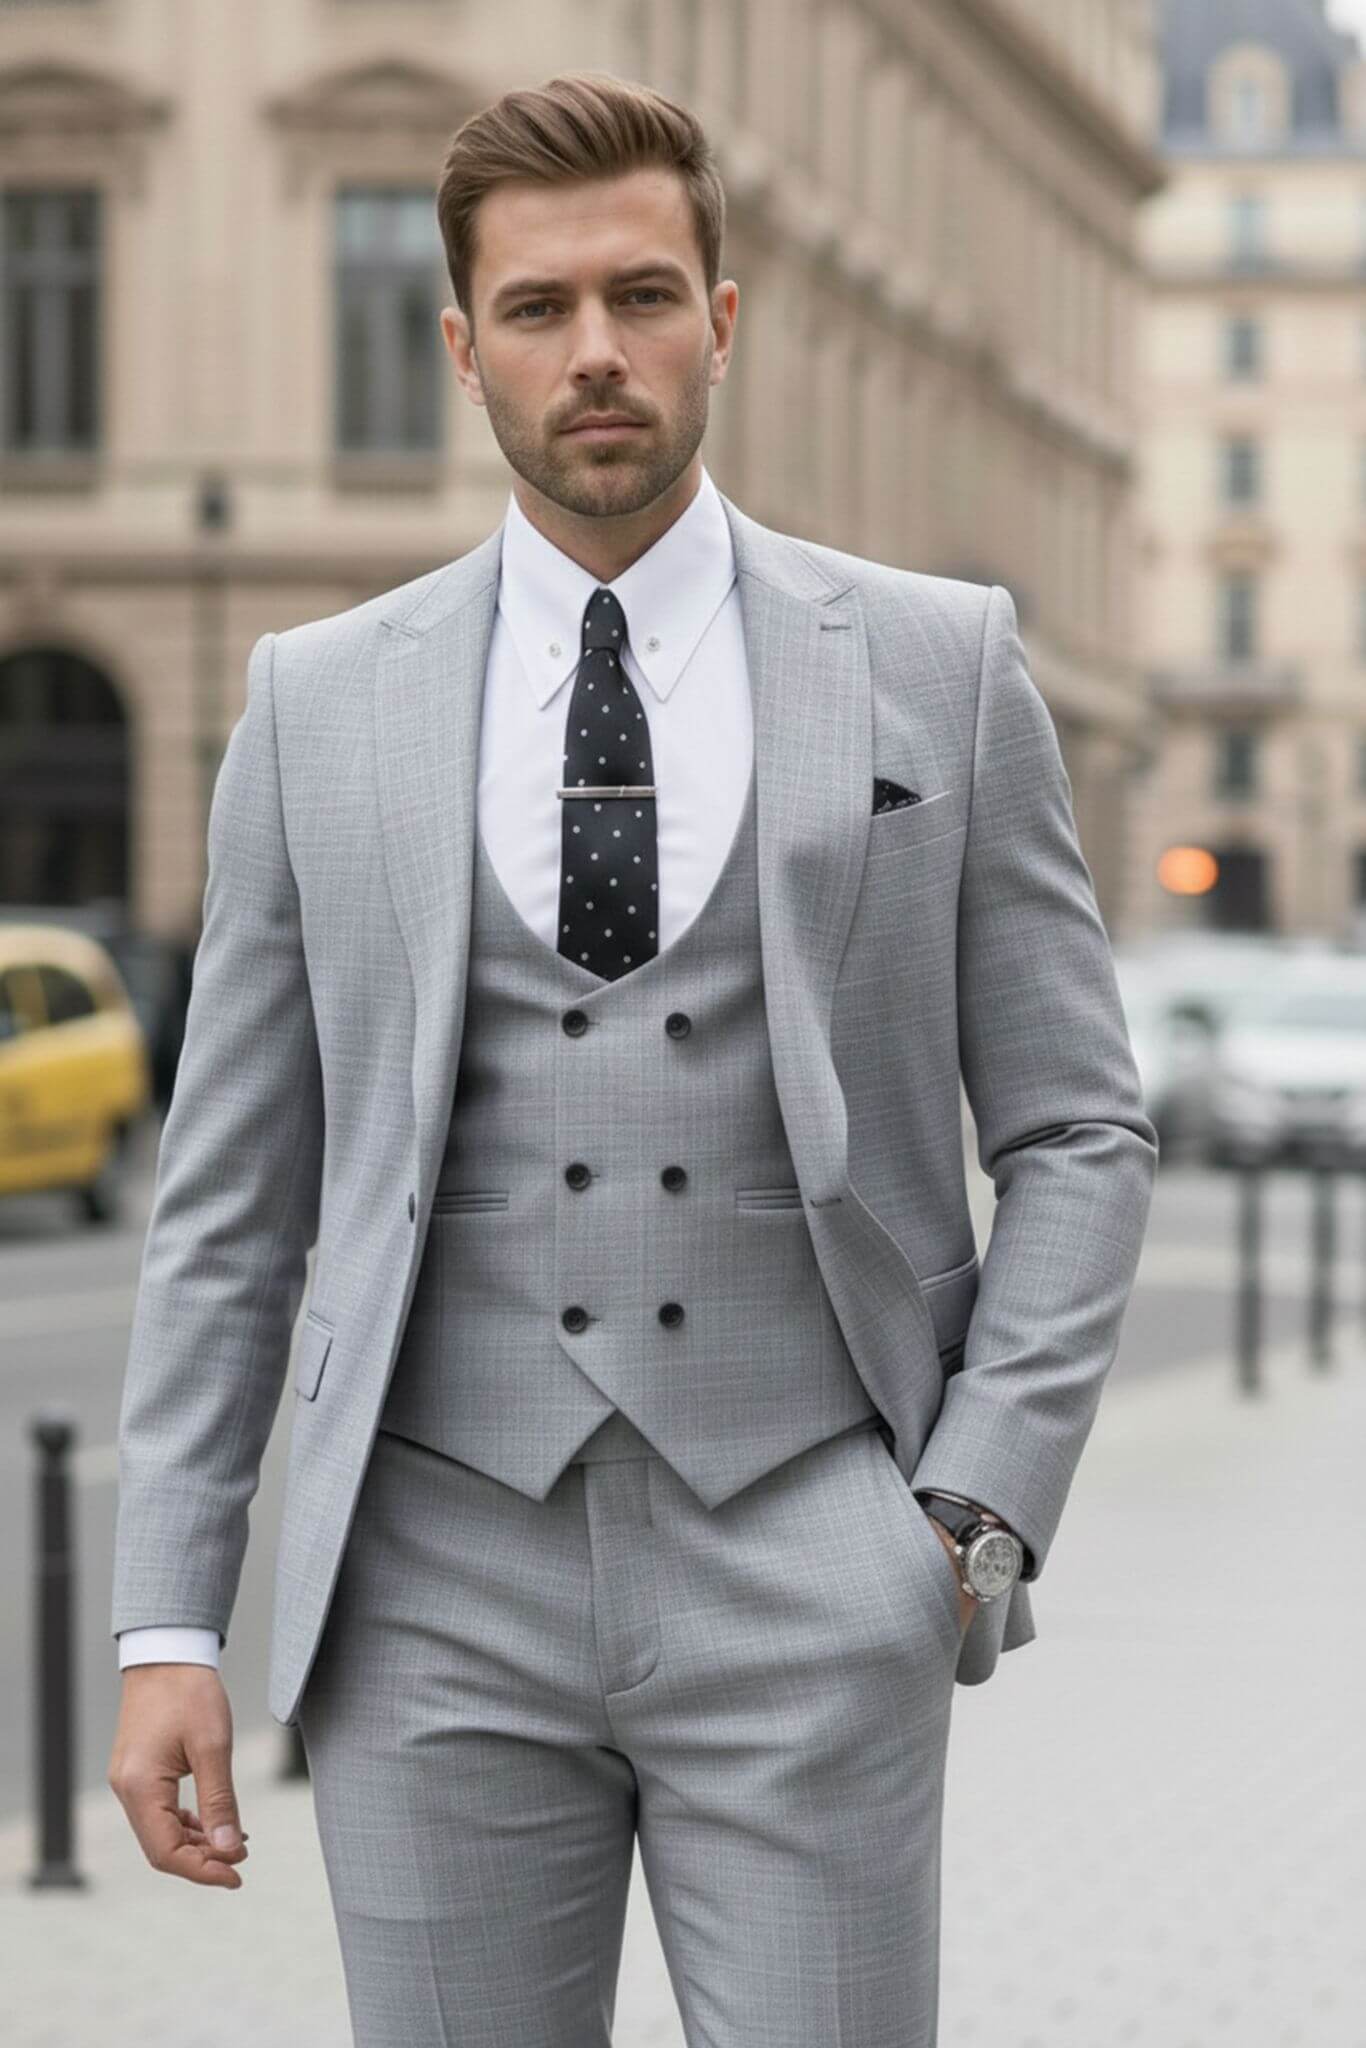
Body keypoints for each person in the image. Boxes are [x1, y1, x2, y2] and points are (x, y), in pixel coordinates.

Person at [108, 69, 1157, 2047]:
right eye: (537, 308)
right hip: (427, 1588)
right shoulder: (316, 705)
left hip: (812, 1565)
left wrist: (967, 1511)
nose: (596, 351)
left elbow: (1082, 1126)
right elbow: (228, 1209)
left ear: (720, 320)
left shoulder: (939, 664)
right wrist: (169, 1622)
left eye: (642, 295)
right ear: (462, 346)